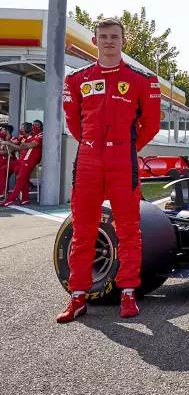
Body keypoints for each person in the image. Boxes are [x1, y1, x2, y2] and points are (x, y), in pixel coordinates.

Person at [56, 17, 162, 323]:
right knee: (83, 229)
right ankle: (77, 295)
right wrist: (93, 146)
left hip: (122, 162)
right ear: (95, 41)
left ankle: (128, 291)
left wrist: (126, 147)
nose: (109, 41)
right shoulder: (76, 79)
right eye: (103, 36)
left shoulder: (143, 80)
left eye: (114, 36)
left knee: (128, 229)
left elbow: (151, 124)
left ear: (123, 41)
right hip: (88, 159)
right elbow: (73, 122)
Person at [1, 120, 42, 206]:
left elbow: (32, 145)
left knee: (20, 178)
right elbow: (17, 143)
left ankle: (10, 199)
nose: (34, 127)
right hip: (21, 159)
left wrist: (22, 145)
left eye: (36, 125)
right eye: (33, 125)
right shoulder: (28, 136)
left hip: (29, 160)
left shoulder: (40, 135)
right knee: (4, 170)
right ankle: (25, 199)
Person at [0, 124, 19, 198]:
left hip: (10, 160)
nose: (1, 132)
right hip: (2, 160)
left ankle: (3, 192)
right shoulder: (2, 139)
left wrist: (5, 146)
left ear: (7, 131)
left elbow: (10, 150)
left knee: (2, 171)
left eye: (2, 130)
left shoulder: (14, 139)